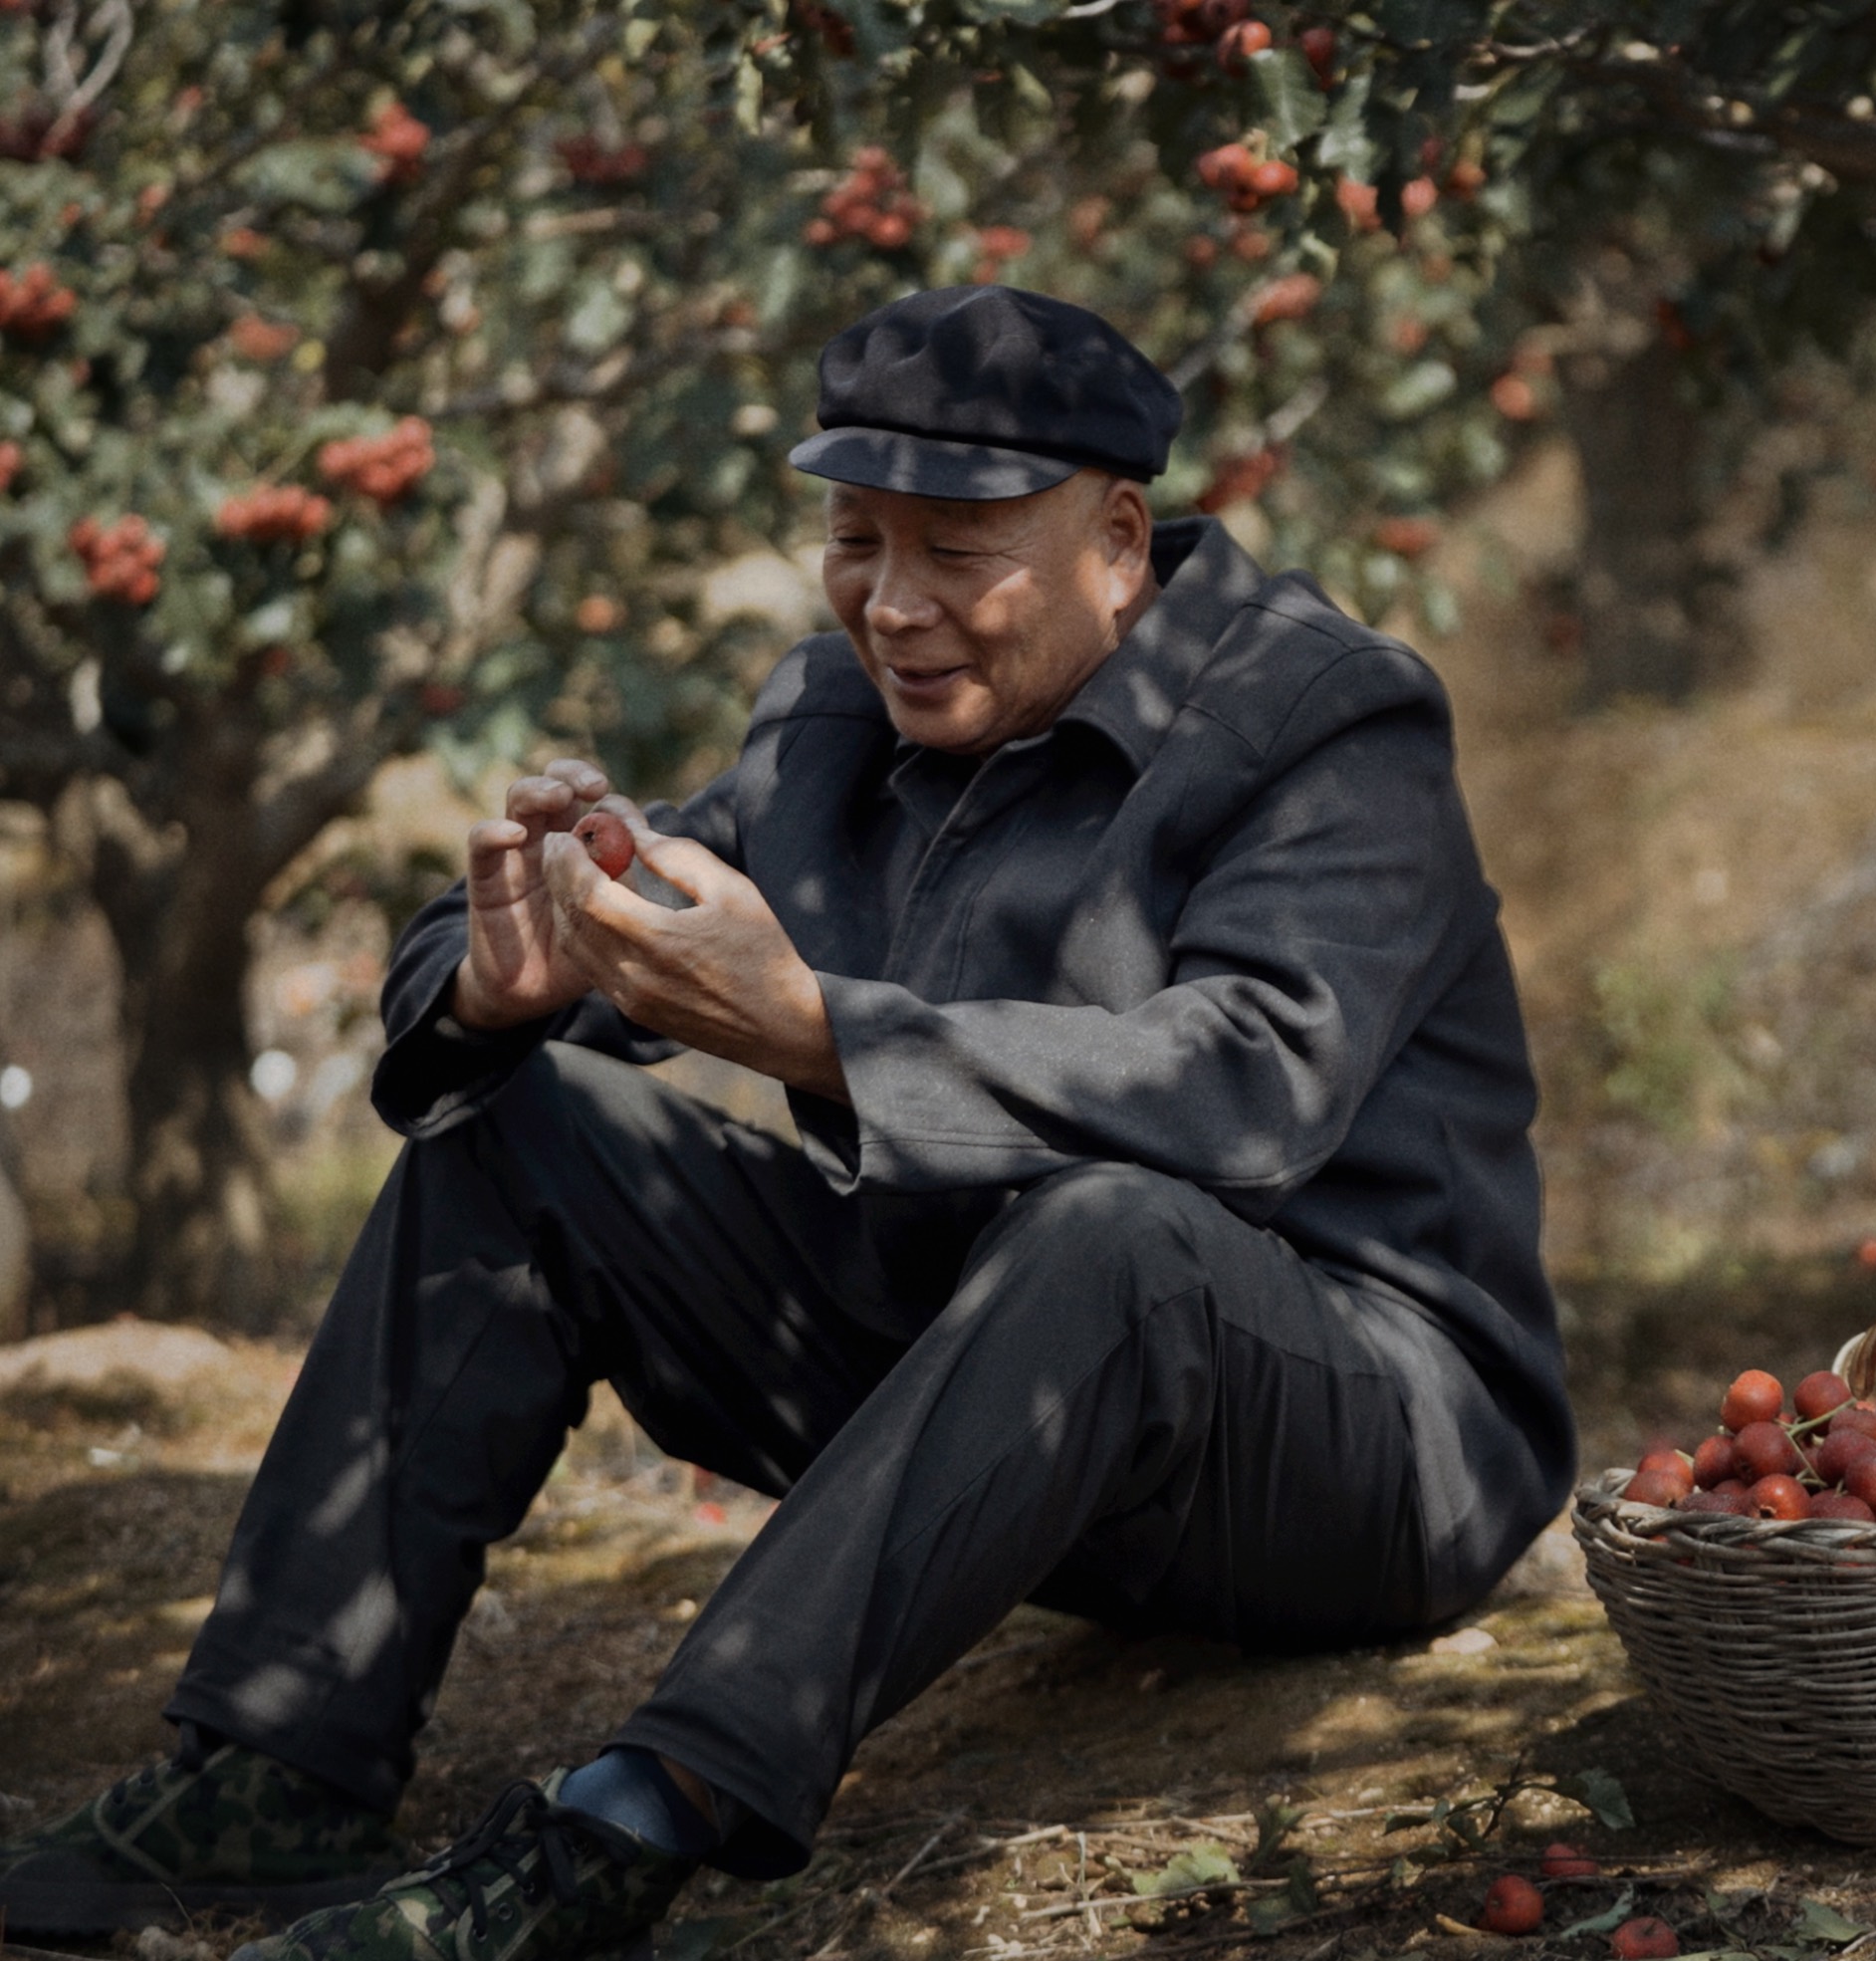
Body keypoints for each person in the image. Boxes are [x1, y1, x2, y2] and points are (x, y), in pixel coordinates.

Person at [0, 286, 1573, 1961]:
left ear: (1118, 541)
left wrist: (820, 1032)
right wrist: (504, 978)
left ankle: (622, 1831)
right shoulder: (829, 722)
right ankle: (272, 1771)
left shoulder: (1327, 721)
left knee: (1120, 1229)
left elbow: (1243, 1092)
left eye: (956, 550)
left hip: (1363, 1442)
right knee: (529, 1123)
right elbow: (504, 978)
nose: (895, 607)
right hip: (999, 1412)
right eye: (855, 541)